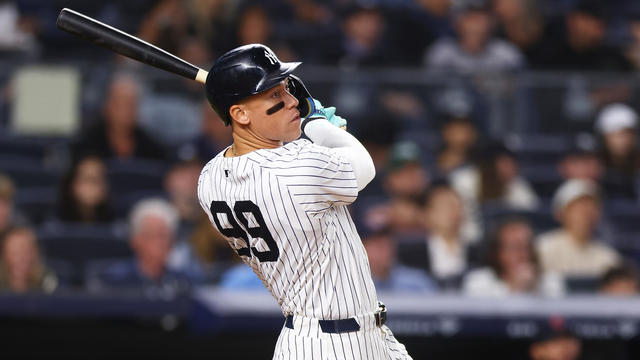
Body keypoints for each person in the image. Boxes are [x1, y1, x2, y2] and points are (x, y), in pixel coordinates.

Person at [197, 44, 412, 359]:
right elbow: (363, 166)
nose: (292, 100)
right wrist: (317, 122)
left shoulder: (209, 178)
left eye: (285, 88)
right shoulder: (296, 165)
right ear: (239, 114)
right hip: (332, 345)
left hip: (335, 336)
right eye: (274, 95)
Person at [86, 198, 198, 297]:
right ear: (136, 240)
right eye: (155, 235)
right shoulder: (113, 281)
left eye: (167, 236)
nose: (163, 243)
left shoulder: (184, 282)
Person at [536, 179, 620, 278]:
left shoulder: (609, 258)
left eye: (593, 206)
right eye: (579, 206)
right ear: (560, 213)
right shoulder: (541, 248)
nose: (587, 212)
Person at [72, 73, 167, 161]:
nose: (128, 111)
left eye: (132, 105)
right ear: (107, 106)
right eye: (122, 104)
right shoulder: (87, 146)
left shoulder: (152, 148)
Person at [462, 218, 565, 297]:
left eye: (527, 246)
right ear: (499, 253)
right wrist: (515, 289)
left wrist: (534, 289)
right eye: (515, 247)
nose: (523, 254)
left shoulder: (551, 283)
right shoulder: (478, 283)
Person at [424, 0, 524, 74]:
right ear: (456, 21)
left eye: (481, 17)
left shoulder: (506, 55)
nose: (475, 25)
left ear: (492, 21)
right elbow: (429, 94)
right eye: (470, 17)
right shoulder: (442, 54)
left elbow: (521, 96)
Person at [363, 228, 438, 293]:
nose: (387, 251)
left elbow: (437, 305)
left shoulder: (417, 282)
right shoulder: (356, 285)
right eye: (379, 246)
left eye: (389, 244)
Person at [594, 103, 640, 199]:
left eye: (629, 134)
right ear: (605, 137)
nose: (624, 140)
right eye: (618, 135)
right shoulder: (594, 167)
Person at [55, 155, 115, 224]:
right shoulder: (55, 224)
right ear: (74, 184)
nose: (94, 187)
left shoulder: (117, 227)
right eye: (88, 179)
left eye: (99, 180)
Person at [0, 226, 58, 293]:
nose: (21, 258)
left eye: (26, 252)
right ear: (4, 255)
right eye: (14, 252)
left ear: (35, 253)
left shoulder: (49, 283)